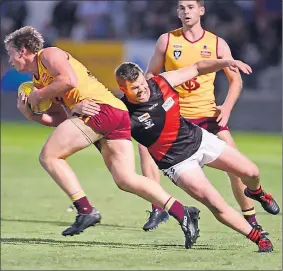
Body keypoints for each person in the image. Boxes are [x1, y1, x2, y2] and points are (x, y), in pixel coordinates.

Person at [5, 26, 202, 249]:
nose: (9, 60)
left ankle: (85, 210)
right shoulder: (38, 80)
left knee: (49, 157)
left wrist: (38, 96)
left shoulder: (48, 55)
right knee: (125, 179)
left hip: (102, 109)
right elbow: (62, 121)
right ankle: (183, 212)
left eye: (10, 53)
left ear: (22, 50)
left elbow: (68, 80)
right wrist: (32, 115)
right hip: (113, 114)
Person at [73, 60, 279, 253]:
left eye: (142, 83)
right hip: (177, 163)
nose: (142, 89)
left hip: (199, 139)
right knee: (215, 203)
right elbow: (87, 123)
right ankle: (257, 237)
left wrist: (226, 62)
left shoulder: (162, 82)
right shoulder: (122, 111)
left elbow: (198, 67)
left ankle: (258, 193)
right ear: (124, 89)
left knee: (251, 172)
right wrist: (75, 108)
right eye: (135, 88)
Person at [138, 0, 267, 232]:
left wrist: (226, 108)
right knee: (144, 149)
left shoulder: (217, 43)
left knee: (237, 168)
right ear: (177, 12)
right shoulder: (167, 40)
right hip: (176, 120)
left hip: (208, 116)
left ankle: (251, 218)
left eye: (190, 7)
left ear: (201, 10)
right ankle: (158, 208)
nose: (186, 12)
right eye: (181, 8)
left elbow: (235, 80)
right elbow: (151, 76)